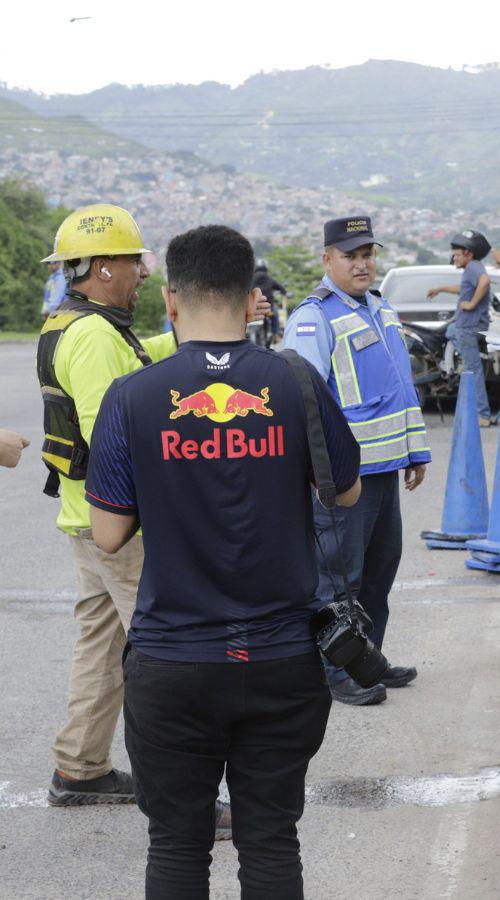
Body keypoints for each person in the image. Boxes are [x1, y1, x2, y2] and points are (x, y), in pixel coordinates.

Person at [85, 224, 361, 898]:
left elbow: (108, 534)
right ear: (249, 299)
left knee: (176, 846)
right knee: (271, 839)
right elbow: (347, 490)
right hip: (282, 658)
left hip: (173, 661)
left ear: (172, 302)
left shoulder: (134, 397)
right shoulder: (293, 382)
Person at [36, 203, 178, 807]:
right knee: (170, 654)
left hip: (87, 521)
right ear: (101, 266)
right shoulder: (92, 335)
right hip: (122, 529)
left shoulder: (72, 323)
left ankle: (80, 769)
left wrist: (190, 331)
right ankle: (179, 791)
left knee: (101, 650)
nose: (144, 271)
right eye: (133, 260)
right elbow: (111, 438)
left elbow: (136, 358)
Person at [281, 216, 430, 705]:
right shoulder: (314, 318)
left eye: (368, 253)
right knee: (339, 579)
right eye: (350, 255)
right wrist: (323, 474)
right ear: (328, 259)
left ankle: (370, 659)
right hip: (345, 478)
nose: (362, 263)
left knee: (380, 573)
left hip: (386, 470)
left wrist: (415, 451)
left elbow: (399, 391)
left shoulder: (379, 309)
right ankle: (334, 670)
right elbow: (302, 401)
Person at [427, 230, 493, 426]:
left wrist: (471, 304)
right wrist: (440, 289)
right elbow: (463, 289)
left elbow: (485, 282)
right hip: (464, 326)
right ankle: (464, 358)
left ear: (468, 253)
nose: (453, 258)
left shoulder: (473, 267)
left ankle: (483, 415)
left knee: (474, 371)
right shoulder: (472, 269)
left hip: (469, 326)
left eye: (456, 254)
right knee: (450, 331)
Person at [252, 258, 289, 347]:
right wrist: (285, 294)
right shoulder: (270, 280)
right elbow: (282, 289)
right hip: (268, 307)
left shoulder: (251, 280)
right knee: (275, 316)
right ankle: (276, 335)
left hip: (255, 307)